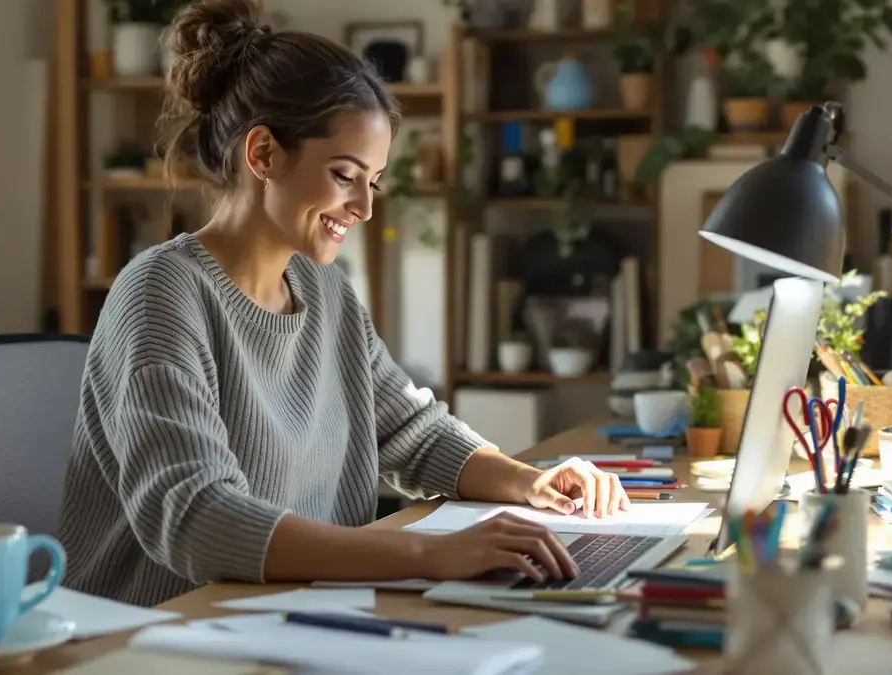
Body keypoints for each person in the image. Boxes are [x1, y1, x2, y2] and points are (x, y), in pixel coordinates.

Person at [56, 0, 629, 608]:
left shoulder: (326, 291)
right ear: (264, 155)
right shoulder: (161, 294)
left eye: (373, 181)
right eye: (344, 174)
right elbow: (198, 517)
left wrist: (531, 482)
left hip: (293, 614)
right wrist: (428, 556)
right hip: (155, 634)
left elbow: (410, 429)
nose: (365, 207)